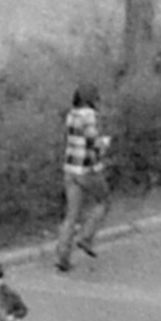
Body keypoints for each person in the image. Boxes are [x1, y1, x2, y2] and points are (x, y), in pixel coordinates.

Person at [53, 86, 114, 271]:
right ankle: (86, 237)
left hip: (70, 169)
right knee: (103, 201)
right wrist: (105, 143)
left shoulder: (71, 114)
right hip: (87, 170)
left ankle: (62, 257)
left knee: (71, 214)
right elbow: (93, 142)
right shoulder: (89, 115)